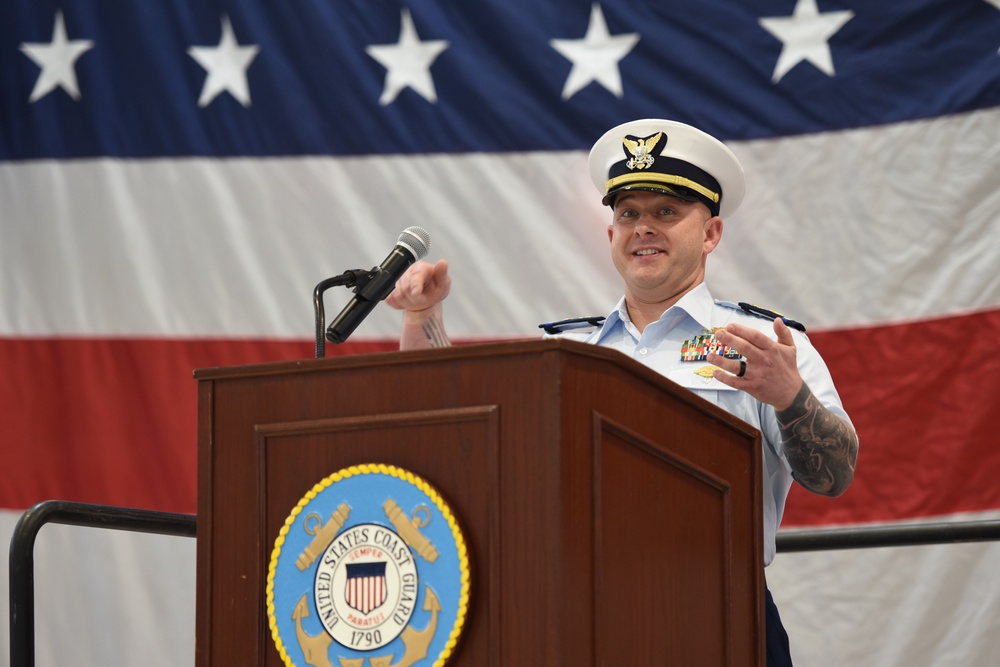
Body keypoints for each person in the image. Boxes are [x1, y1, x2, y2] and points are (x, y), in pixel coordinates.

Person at [386, 118, 859, 666]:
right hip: (572, 621)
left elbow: (836, 473)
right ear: (611, 234)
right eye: (628, 213)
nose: (643, 228)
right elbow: (456, 431)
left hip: (715, 618)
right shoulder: (559, 349)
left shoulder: (762, 346)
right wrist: (423, 317)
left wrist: (788, 395)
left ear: (710, 234)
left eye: (666, 212)